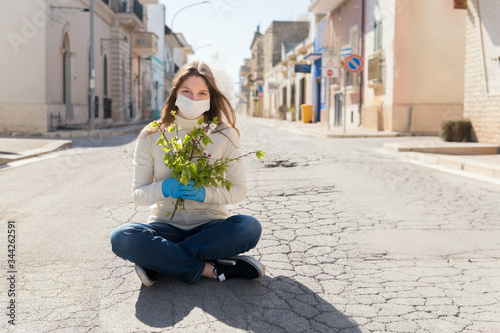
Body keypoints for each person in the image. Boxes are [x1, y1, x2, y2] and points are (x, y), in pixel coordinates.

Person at [110, 61, 264, 286]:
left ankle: (159, 260)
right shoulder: (153, 134)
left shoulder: (225, 134)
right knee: (121, 237)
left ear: (211, 96)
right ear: (175, 94)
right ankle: (211, 269)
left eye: (202, 93)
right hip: (164, 228)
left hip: (211, 228)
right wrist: (165, 188)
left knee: (249, 228)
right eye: (186, 92)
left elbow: (239, 191)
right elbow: (138, 194)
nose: (194, 99)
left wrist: (204, 194)